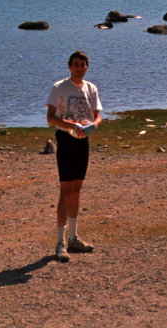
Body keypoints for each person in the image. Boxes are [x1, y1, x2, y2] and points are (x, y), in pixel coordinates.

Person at [46, 50, 102, 262]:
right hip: (66, 140)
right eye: (76, 64)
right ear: (69, 67)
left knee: (77, 190)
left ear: (87, 67)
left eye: (82, 65)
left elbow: (97, 116)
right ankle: (60, 242)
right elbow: (50, 117)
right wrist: (71, 125)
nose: (79, 68)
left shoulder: (91, 88)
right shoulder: (59, 87)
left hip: (83, 141)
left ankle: (73, 238)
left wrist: (92, 126)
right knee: (65, 190)